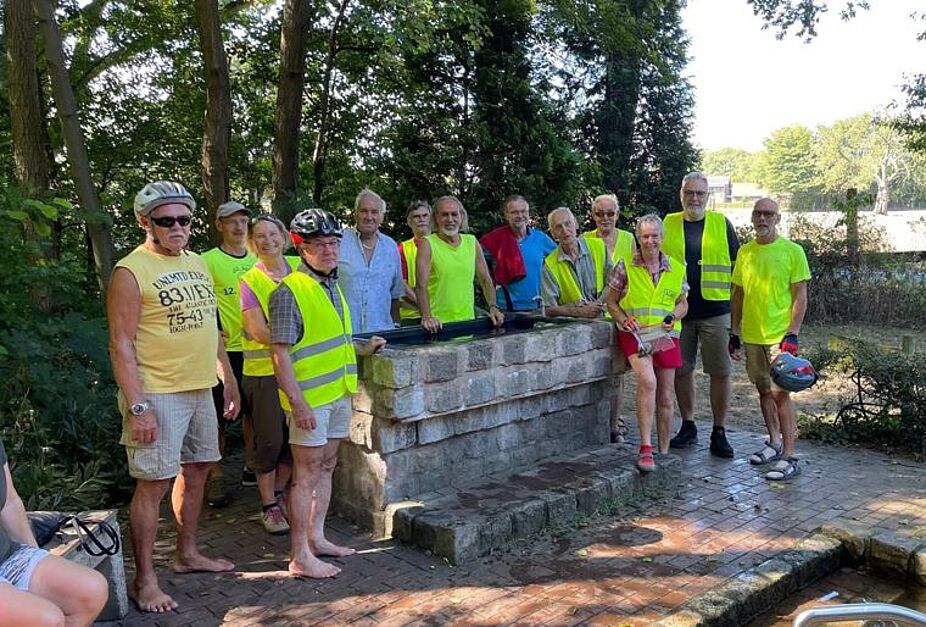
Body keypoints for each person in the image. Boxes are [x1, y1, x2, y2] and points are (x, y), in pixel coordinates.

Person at [108, 181, 239, 613]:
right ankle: (144, 581)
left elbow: (212, 328)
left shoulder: (198, 262)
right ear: (145, 222)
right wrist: (138, 406)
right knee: (154, 483)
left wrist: (228, 380)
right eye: (166, 221)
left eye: (184, 219)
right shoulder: (131, 271)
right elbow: (121, 344)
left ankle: (188, 553)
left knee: (199, 469)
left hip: (200, 386)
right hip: (157, 392)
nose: (178, 227)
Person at [268, 208, 386, 578]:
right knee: (304, 474)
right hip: (310, 401)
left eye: (334, 243)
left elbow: (332, 337)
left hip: (338, 393)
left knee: (327, 466)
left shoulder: (332, 283)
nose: (330, 250)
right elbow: (280, 353)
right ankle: (299, 555)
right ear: (302, 249)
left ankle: (317, 539)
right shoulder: (290, 292)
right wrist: (298, 403)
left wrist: (362, 349)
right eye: (320, 244)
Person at [730, 198, 810, 481]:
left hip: (779, 337)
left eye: (768, 214)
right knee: (764, 391)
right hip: (752, 334)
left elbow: (800, 295)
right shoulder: (745, 252)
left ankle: (790, 456)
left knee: (780, 394)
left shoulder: (792, 251)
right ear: (752, 218)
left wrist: (793, 333)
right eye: (758, 214)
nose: (762, 219)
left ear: (778, 218)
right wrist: (734, 331)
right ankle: (774, 442)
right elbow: (738, 294)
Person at [662, 171, 739, 458]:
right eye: (689, 193)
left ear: (707, 196)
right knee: (681, 370)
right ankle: (689, 424)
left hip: (715, 309)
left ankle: (719, 431)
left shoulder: (721, 223)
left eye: (699, 194)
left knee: (720, 371)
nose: (694, 198)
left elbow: (737, 265)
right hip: (677, 311)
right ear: (680, 194)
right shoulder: (667, 223)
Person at [606, 215, 688, 472]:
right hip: (636, 334)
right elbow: (611, 302)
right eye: (645, 236)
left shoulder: (676, 267)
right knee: (648, 381)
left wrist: (673, 316)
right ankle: (645, 447)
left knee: (666, 394)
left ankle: (663, 451)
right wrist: (623, 319)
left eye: (654, 236)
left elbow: (683, 302)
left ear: (662, 238)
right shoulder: (625, 266)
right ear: (638, 238)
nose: (650, 241)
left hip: (665, 335)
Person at [0, 438, 109, 626]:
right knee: (47, 619)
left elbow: (9, 503)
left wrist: (34, 555)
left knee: (91, 591)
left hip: (5, 555)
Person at [239, 215, 302, 535]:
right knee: (270, 441)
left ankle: (279, 495)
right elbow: (256, 329)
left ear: (284, 236)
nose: (268, 241)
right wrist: (300, 335)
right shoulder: (250, 280)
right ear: (252, 242)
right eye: (260, 236)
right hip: (264, 372)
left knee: (296, 441)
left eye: (273, 234)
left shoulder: (301, 267)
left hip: (303, 370)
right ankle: (267, 504)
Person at [201, 200, 257, 506]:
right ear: (218, 225)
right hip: (223, 351)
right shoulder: (206, 260)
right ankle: (216, 475)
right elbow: (201, 303)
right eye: (231, 221)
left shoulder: (258, 256)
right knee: (218, 418)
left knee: (255, 414)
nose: (238, 227)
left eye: (243, 221)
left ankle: (252, 465)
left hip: (257, 349)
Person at [415, 196, 505, 332]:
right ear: (436, 218)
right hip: (438, 325)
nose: (450, 219)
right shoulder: (427, 244)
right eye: (445, 215)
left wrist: (493, 307)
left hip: (467, 322)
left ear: (461, 217)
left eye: (454, 214)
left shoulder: (471, 242)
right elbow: (421, 285)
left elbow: (485, 279)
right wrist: (427, 317)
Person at [338, 189, 404, 333]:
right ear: (355, 213)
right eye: (364, 211)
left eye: (374, 212)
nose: (369, 217)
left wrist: (395, 327)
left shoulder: (391, 247)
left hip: (382, 335)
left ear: (382, 216)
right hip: (345, 336)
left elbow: (394, 295)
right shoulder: (338, 242)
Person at [481, 195, 556, 312]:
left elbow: (559, 263)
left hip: (538, 307)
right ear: (506, 215)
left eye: (523, 211)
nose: (520, 216)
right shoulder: (495, 240)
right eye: (515, 212)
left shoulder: (541, 239)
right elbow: (479, 270)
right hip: (505, 309)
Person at [541, 206, 612, 319]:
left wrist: (597, 305)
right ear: (553, 234)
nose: (565, 230)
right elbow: (548, 309)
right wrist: (578, 312)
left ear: (576, 225)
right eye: (558, 227)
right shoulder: (550, 264)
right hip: (573, 328)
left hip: (606, 320)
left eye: (568, 223)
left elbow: (613, 284)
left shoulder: (598, 247)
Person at [397, 200, 432, 322]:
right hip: (413, 316)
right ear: (409, 222)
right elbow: (401, 285)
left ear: (432, 219)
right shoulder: (402, 249)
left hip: (443, 313)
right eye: (416, 217)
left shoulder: (443, 245)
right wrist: (425, 307)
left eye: (425, 216)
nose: (421, 219)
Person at [583, 194, 636, 265]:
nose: (605, 218)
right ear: (593, 215)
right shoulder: (584, 239)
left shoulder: (629, 239)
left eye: (610, 213)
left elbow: (635, 268)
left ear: (617, 215)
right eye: (600, 214)